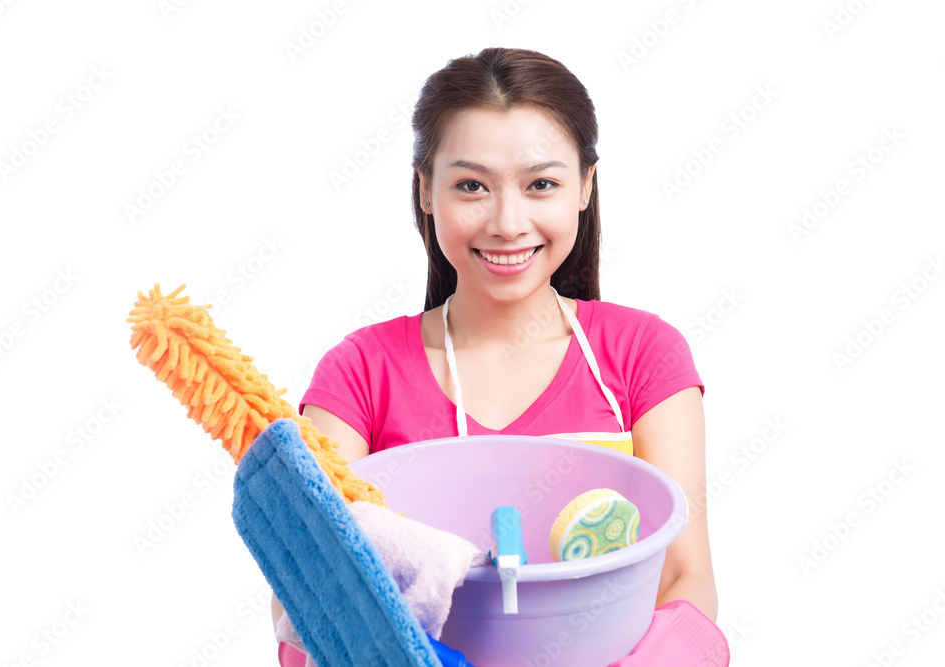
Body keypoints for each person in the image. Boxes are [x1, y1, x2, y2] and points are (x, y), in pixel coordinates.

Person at [273, 47, 723, 666]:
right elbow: (308, 594)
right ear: (426, 190)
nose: (508, 223)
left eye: (541, 183)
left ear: (585, 186)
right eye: (471, 186)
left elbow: (683, 578)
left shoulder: (643, 355)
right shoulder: (361, 373)